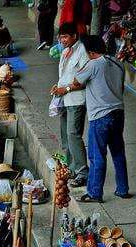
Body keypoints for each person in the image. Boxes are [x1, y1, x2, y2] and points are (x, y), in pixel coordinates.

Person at [64, 35, 131, 202]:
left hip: (100, 116)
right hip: (118, 112)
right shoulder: (117, 62)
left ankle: (95, 193)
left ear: (90, 51)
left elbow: (76, 81)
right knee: (118, 153)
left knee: (97, 156)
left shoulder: (93, 64)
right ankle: (122, 189)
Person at [51, 23, 89, 187]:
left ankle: (82, 172)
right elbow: (65, 76)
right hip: (64, 100)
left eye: (65, 37)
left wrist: (65, 89)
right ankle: (71, 168)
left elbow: (84, 80)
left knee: (73, 134)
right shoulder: (65, 52)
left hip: (77, 100)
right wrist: (57, 87)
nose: (62, 40)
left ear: (74, 36)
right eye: (61, 37)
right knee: (66, 136)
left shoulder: (83, 52)